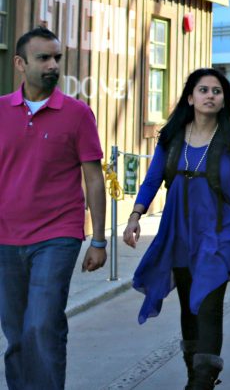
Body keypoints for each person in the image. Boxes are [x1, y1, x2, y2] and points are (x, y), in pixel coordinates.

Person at [125, 68, 230, 389]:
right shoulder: (172, 136)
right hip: (180, 234)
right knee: (188, 310)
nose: (210, 95)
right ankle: (195, 374)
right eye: (203, 90)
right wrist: (135, 215)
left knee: (208, 306)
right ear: (191, 97)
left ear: (224, 101)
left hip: (219, 236)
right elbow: (153, 178)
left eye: (217, 91)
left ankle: (201, 382)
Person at [0, 28, 106, 390]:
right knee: (15, 334)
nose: (53, 65)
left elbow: (93, 179)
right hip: (5, 238)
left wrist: (99, 240)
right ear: (20, 63)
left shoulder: (77, 114)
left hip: (57, 235)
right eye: (43, 58)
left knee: (41, 324)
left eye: (57, 58)